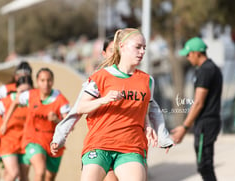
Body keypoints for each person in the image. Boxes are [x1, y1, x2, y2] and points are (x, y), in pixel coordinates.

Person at [51, 28, 173, 181]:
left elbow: (151, 108)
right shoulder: (100, 77)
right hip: (99, 145)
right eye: (138, 47)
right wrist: (60, 135)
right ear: (121, 46)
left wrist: (162, 135)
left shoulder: (147, 80)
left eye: (144, 48)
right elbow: (80, 108)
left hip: (131, 147)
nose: (142, 51)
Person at [3, 68, 70, 181]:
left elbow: (70, 125)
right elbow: (15, 102)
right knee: (40, 171)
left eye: (49, 80)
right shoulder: (30, 95)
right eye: (42, 80)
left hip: (54, 143)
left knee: (49, 177)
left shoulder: (60, 99)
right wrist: (5, 123)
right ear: (37, 82)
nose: (46, 84)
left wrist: (56, 120)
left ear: (53, 81)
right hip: (33, 139)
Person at [171, 37, 223, 181]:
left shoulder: (206, 70)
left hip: (206, 125)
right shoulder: (210, 68)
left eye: (188, 54)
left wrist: (184, 127)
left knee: (205, 166)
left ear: (196, 53)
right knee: (205, 166)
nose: (187, 58)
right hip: (209, 123)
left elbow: (199, 102)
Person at [0, 75, 33, 181]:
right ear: (16, 89)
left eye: (28, 91)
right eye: (22, 91)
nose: (24, 94)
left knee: (23, 177)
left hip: (24, 142)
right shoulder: (7, 101)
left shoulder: (33, 102)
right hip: (7, 141)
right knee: (13, 172)